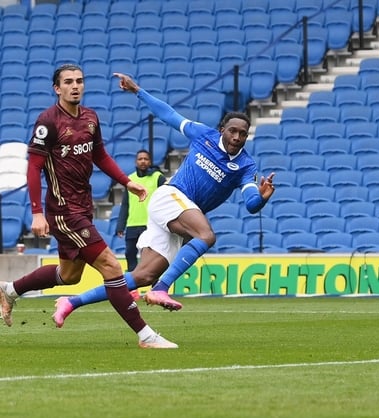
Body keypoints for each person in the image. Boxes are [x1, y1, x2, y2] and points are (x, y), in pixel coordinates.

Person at [51, 72, 276, 327]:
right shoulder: (204, 135)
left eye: (243, 134)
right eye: (232, 131)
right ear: (222, 130)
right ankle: (162, 288)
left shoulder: (246, 165)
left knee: (142, 276)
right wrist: (138, 91)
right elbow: (169, 114)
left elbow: (251, 204)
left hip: (181, 214)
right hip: (171, 196)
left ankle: (71, 302)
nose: (237, 137)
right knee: (206, 236)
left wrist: (262, 197)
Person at [0, 63, 177, 349]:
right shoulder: (48, 122)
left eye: (79, 81)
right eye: (68, 82)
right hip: (63, 210)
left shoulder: (90, 117)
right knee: (111, 266)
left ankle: (10, 290)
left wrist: (126, 182)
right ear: (57, 88)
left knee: (69, 275)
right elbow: (34, 168)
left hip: (83, 206)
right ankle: (146, 335)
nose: (75, 86)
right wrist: (36, 212)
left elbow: (100, 155)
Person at [116, 149, 166, 271]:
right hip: (132, 224)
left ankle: (152, 281)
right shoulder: (130, 180)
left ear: (150, 162)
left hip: (150, 225)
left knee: (149, 257)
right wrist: (120, 226)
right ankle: (133, 281)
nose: (143, 161)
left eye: (146, 159)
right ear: (136, 162)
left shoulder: (158, 177)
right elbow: (125, 204)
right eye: (140, 159)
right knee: (129, 254)